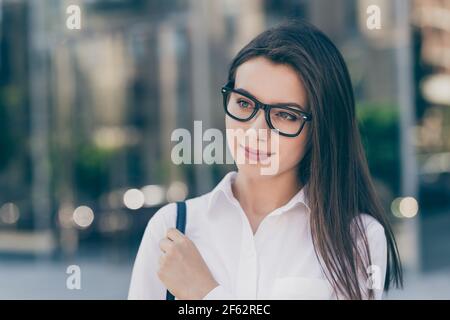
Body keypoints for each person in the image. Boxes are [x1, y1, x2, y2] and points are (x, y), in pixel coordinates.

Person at [128, 19, 403, 300]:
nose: (257, 131)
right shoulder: (173, 229)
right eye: (244, 103)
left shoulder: (358, 239)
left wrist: (204, 294)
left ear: (319, 129)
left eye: (285, 114)